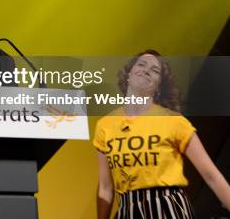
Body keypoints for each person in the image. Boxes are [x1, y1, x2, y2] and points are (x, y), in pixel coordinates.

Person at [94, 50, 230, 218]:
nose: (146, 70)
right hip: (128, 211)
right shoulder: (105, 125)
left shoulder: (173, 121)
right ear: (128, 73)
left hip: (169, 209)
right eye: (141, 64)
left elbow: (211, 176)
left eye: (155, 70)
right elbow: (105, 188)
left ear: (159, 85)